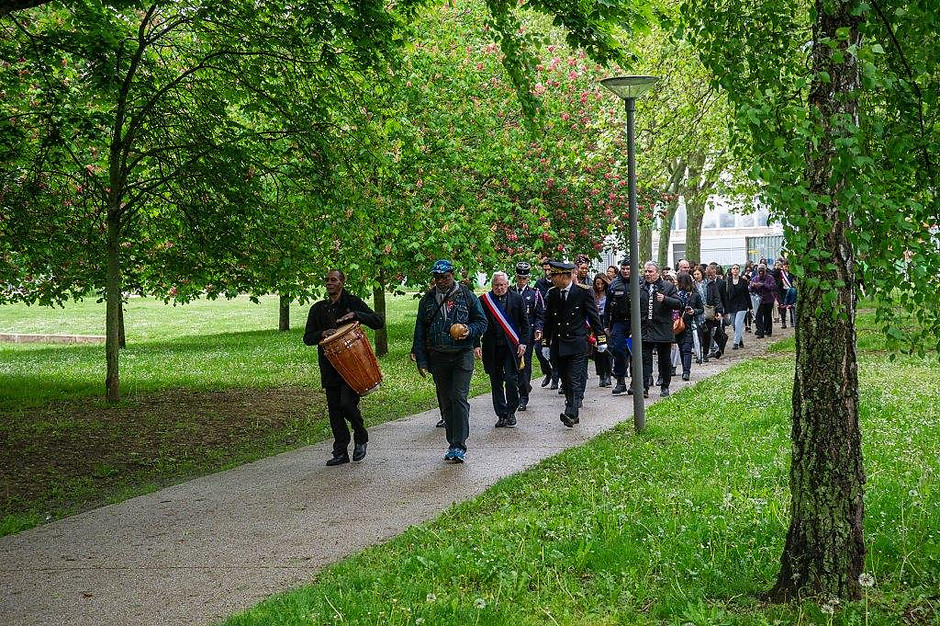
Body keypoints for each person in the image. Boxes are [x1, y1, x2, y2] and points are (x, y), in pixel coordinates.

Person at [303, 269, 384, 466]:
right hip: (330, 366)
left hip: (353, 365)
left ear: (342, 282)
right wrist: (322, 333)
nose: (329, 283)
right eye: (327, 280)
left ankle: (361, 434)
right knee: (335, 411)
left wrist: (357, 315)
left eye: (333, 280)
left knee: (347, 403)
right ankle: (340, 452)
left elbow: (378, 322)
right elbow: (307, 338)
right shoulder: (318, 309)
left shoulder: (352, 303)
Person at [412, 259, 488, 463]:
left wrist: (469, 331)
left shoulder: (467, 295)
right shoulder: (427, 299)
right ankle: (451, 442)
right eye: (437, 277)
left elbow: (482, 322)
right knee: (446, 401)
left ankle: (459, 445)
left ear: (452, 275)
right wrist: (421, 358)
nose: (441, 281)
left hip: (462, 353)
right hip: (438, 355)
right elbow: (420, 330)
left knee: (458, 397)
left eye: (445, 277)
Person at [542, 261, 607, 427]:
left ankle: (571, 412)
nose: (552, 279)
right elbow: (548, 320)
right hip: (559, 343)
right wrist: (545, 343)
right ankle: (572, 409)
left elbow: (593, 317)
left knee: (574, 378)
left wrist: (601, 339)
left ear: (565, 276)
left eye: (554, 276)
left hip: (577, 342)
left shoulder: (583, 292)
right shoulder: (553, 293)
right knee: (565, 379)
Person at [476, 271, 530, 428]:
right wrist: (476, 345)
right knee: (496, 381)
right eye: (496, 285)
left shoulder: (517, 298)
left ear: (507, 285)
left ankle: (511, 412)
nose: (499, 288)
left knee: (512, 380)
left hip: (511, 348)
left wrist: (523, 343)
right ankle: (501, 414)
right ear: (492, 285)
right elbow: (478, 323)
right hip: (492, 348)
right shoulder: (485, 301)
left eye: (502, 285)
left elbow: (525, 324)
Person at [639, 261, 681, 397]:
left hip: (662, 329)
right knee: (645, 359)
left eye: (650, 271)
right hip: (645, 329)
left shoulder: (668, 287)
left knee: (664, 359)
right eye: (646, 271)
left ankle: (665, 385)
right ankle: (644, 386)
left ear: (657, 273)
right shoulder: (640, 288)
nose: (647, 274)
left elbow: (679, 303)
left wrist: (665, 299)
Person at [510, 262, 544, 412]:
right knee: (512, 364)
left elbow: (539, 315)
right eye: (519, 277)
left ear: (528, 278)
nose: (522, 280)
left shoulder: (534, 293)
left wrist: (538, 329)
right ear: (516, 277)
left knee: (525, 364)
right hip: (511, 333)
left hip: (527, 334)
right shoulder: (510, 292)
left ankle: (523, 396)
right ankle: (514, 392)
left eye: (524, 278)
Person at [606, 259, 633, 395]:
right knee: (617, 350)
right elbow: (607, 306)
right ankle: (620, 381)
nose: (626, 271)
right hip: (619, 322)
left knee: (635, 352)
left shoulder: (639, 283)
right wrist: (606, 325)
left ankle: (636, 382)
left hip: (635, 322)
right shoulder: (614, 284)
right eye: (624, 269)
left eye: (628, 268)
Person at [674, 272, 703, 381]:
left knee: (686, 348)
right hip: (677, 324)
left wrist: (693, 311)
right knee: (681, 348)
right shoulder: (676, 294)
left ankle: (686, 371)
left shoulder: (694, 295)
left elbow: (701, 308)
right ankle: (685, 369)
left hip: (689, 324)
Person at [533, 258, 557, 389]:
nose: (547, 272)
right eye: (545, 269)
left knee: (555, 350)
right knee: (539, 349)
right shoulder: (539, 283)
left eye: (549, 269)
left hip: (555, 321)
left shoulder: (558, 282)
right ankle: (548, 372)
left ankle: (556, 377)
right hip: (542, 321)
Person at [702, 262, 728, 360]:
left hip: (717, 309)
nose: (711, 277)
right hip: (708, 311)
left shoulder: (721, 283)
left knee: (719, 330)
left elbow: (723, 298)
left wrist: (723, 311)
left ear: (715, 273)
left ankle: (719, 348)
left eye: (712, 274)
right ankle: (711, 350)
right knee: (709, 331)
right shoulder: (706, 284)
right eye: (708, 275)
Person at [591, 273, 613, 387]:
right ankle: (601, 375)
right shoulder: (592, 294)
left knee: (606, 349)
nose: (599, 286)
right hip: (595, 322)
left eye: (601, 284)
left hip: (606, 322)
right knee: (598, 351)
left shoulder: (609, 293)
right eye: (597, 284)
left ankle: (609, 374)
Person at [725, 263, 751, 349]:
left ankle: (735, 343)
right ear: (731, 270)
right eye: (734, 268)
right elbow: (726, 294)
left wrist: (750, 307)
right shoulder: (728, 281)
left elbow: (747, 294)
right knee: (734, 325)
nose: (735, 270)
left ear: (739, 270)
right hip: (731, 305)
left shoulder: (743, 281)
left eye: (737, 268)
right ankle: (740, 340)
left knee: (738, 323)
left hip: (742, 305)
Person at [749, 262, 777, 338]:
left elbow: (773, 287)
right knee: (758, 317)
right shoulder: (755, 278)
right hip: (758, 301)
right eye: (759, 270)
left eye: (762, 270)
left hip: (768, 300)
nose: (761, 271)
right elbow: (750, 289)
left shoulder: (770, 278)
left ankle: (768, 331)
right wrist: (753, 286)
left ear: (765, 270)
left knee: (768, 316)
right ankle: (760, 332)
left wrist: (763, 284)